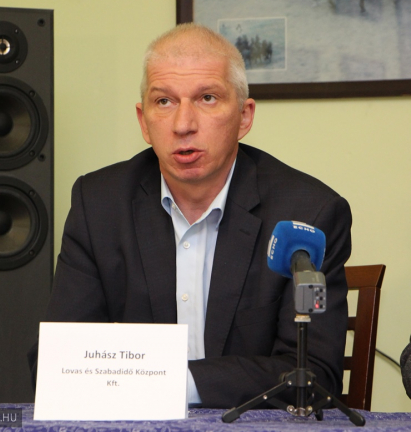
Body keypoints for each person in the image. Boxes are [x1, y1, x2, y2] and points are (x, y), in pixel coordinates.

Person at [28, 23, 352, 408]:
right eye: (164, 102)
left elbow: (313, 374)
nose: (183, 125)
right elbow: (55, 362)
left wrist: (171, 382)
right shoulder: (99, 204)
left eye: (207, 98)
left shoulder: (308, 214)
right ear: (143, 121)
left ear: (244, 116)